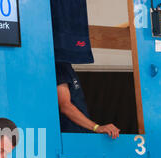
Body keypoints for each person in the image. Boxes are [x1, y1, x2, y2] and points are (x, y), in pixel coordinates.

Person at [50, 0, 120, 138]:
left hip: (81, 135)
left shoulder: (66, 64)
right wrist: (97, 127)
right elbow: (65, 106)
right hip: (71, 138)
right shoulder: (59, 65)